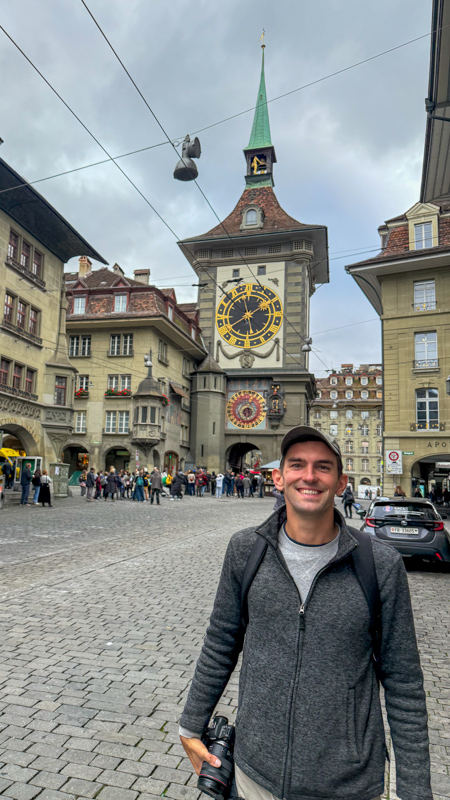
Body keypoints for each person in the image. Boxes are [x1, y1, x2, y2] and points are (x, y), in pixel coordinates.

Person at [179, 425, 432, 800]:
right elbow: (221, 642)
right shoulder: (245, 550)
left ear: (341, 481)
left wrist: (414, 792)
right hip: (253, 776)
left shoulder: (380, 564)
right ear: (278, 478)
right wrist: (190, 726)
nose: (309, 476)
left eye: (323, 467)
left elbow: (404, 682)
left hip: (345, 784)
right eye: (297, 465)